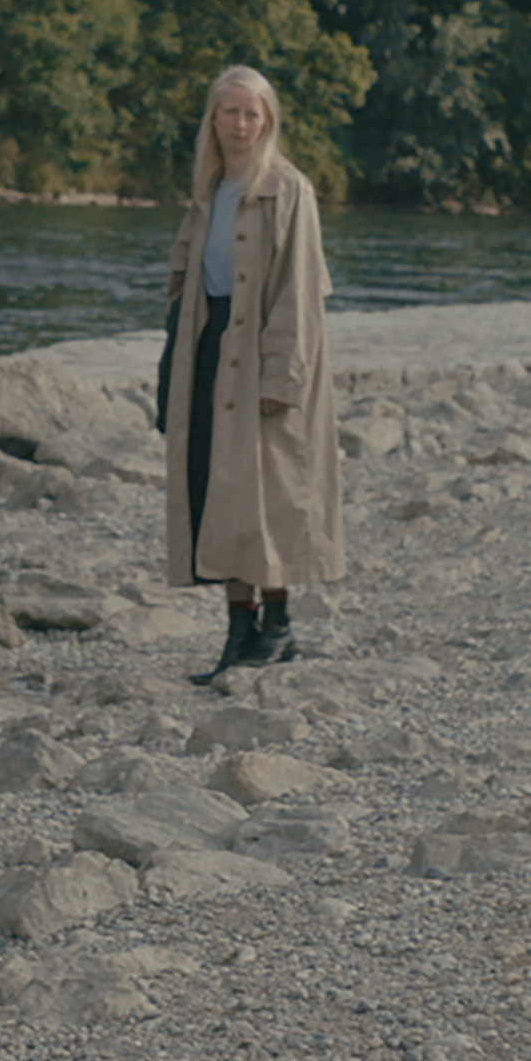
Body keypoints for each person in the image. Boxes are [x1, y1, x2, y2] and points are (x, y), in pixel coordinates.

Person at [157, 65, 341, 688]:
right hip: (207, 351)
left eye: (251, 113)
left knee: (267, 494)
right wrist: (173, 365)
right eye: (230, 112)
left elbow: (300, 293)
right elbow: (184, 280)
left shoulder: (289, 190)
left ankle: (279, 625)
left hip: (262, 359)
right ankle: (239, 631)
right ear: (213, 120)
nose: (240, 124)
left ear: (267, 121)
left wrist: (280, 379)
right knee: (217, 490)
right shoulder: (209, 190)